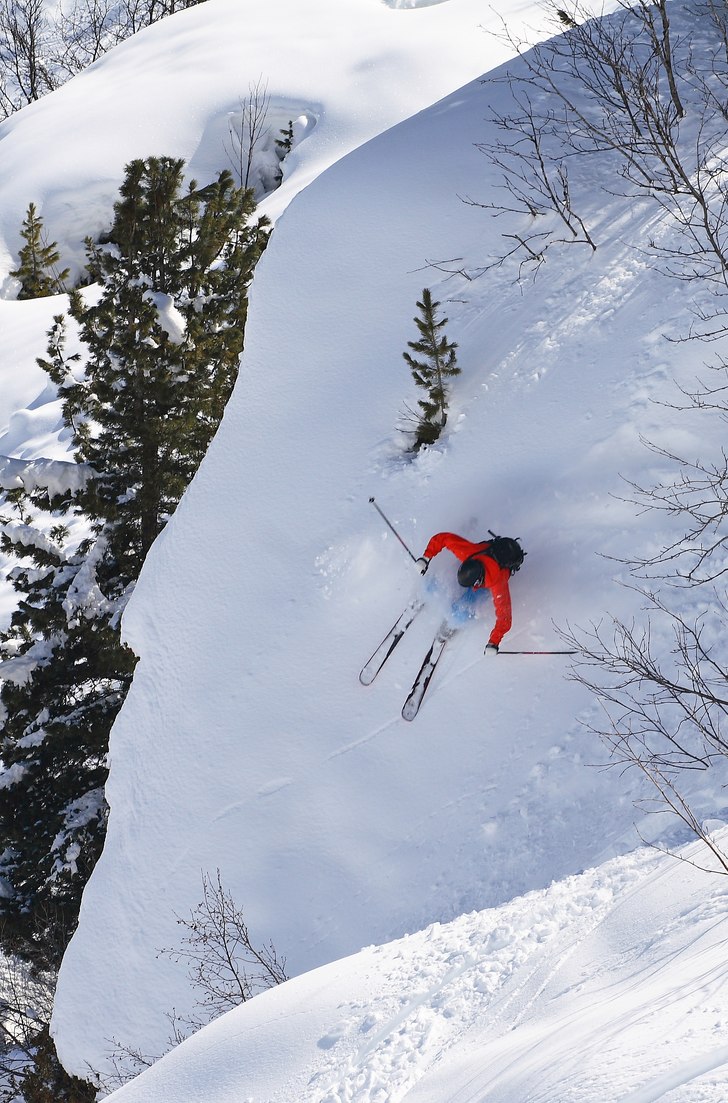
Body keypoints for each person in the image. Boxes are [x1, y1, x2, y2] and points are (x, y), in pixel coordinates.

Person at [415, 532, 526, 653]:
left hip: (486, 583)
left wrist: (493, 642)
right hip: (476, 563)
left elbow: (505, 618)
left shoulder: (498, 583)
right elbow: (443, 538)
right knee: (434, 583)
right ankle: (428, 591)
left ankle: (451, 625)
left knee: (461, 612)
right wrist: (426, 558)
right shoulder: (468, 552)